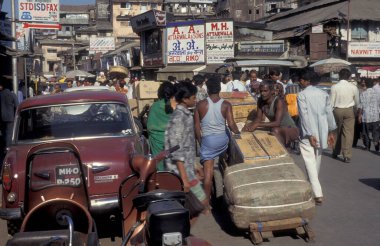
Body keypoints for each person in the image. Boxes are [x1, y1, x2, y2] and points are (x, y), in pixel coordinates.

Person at [194, 76, 240, 208]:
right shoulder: (226, 104)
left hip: (208, 140)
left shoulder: (200, 105)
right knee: (224, 161)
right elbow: (231, 125)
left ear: (207, 89)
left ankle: (206, 203)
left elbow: (197, 127)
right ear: (219, 89)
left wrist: (201, 142)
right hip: (222, 140)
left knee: (207, 172)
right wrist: (239, 133)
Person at [165, 82, 206, 216]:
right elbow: (177, 150)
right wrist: (183, 179)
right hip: (179, 172)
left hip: (187, 170)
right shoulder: (179, 117)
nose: (196, 100)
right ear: (185, 99)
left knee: (199, 207)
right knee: (199, 206)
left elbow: (187, 144)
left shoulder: (186, 114)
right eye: (193, 97)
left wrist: (194, 164)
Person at [297, 71, 336, 205]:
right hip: (321, 131)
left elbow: (304, 116)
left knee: (310, 162)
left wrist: (309, 134)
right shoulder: (323, 94)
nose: (299, 82)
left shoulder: (302, 95)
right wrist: (331, 131)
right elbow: (329, 114)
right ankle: (313, 190)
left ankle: (317, 193)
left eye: (301, 80)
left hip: (308, 134)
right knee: (316, 161)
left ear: (307, 81)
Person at [242, 80, 299, 146]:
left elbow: (277, 123)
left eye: (265, 91)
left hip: (290, 129)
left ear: (272, 91)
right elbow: (258, 118)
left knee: (274, 130)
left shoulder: (279, 102)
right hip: (276, 127)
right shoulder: (261, 100)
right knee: (249, 126)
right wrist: (249, 125)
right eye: (261, 91)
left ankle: (281, 151)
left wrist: (257, 124)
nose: (262, 93)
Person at [331, 69, 360, 163]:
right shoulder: (353, 87)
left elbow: (331, 102)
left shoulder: (334, 87)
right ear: (348, 77)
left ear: (339, 76)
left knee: (337, 132)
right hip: (349, 110)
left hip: (337, 110)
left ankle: (335, 151)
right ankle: (347, 155)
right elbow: (357, 102)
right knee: (348, 133)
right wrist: (356, 111)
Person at [147, 82, 176, 170]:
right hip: (173, 140)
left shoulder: (155, 106)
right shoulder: (176, 105)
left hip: (157, 142)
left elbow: (149, 126)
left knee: (160, 168)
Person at [358, 78, 380, 151]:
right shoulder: (377, 93)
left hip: (366, 117)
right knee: (375, 131)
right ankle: (376, 142)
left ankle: (367, 147)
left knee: (366, 133)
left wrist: (359, 116)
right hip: (376, 116)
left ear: (366, 84)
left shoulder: (363, 94)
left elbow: (361, 106)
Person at [0, 80, 18, 152]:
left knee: (3, 132)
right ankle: (8, 147)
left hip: (1, 117)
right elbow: (17, 106)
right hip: (10, 117)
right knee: (9, 133)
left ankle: (4, 145)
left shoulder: (0, 94)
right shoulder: (12, 95)